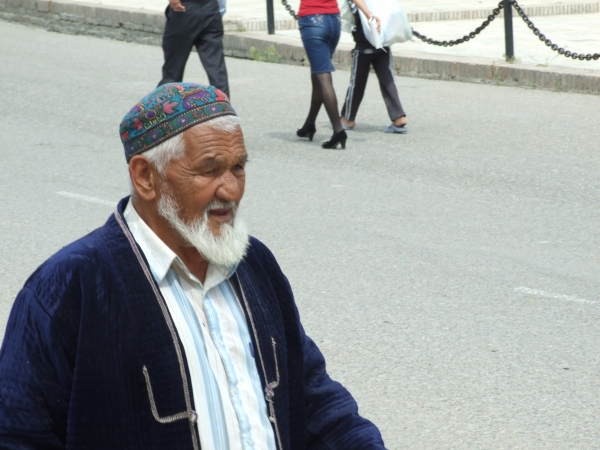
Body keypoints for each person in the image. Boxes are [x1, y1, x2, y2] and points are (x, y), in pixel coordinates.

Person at [0, 83, 387, 449]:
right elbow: (18, 434)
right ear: (145, 176)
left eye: (238, 167)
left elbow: (312, 400)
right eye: (209, 169)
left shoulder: (254, 265)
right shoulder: (71, 285)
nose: (231, 190)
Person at [340, 0, 408, 134]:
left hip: (366, 37)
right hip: (383, 37)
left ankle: (348, 119)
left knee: (357, 81)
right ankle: (398, 117)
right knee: (387, 79)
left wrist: (369, 15)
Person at [296, 0, 347, 149]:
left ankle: (338, 130)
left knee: (323, 77)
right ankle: (309, 124)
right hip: (334, 21)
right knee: (318, 73)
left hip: (313, 20)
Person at [158, 0, 229, 98]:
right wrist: (218, 10)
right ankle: (224, 110)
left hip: (184, 9)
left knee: (173, 71)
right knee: (217, 69)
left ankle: (165, 109)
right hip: (211, 9)